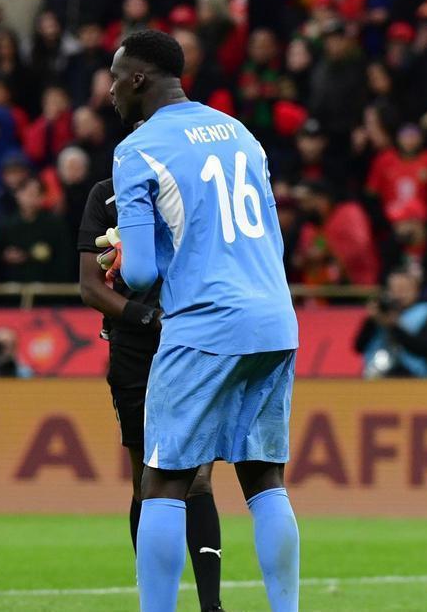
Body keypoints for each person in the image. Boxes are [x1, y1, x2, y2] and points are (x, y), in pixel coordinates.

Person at [105, 30, 299, 612]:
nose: (111, 90)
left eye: (116, 78)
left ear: (138, 78)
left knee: (163, 481)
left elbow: (139, 273)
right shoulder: (241, 133)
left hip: (205, 326)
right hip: (273, 318)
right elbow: (272, 236)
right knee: (265, 478)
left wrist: (132, 255)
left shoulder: (137, 149)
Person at [78, 175, 225, 612]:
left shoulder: (195, 188)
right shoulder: (105, 195)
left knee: (196, 478)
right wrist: (149, 319)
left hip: (193, 344)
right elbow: (90, 286)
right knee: (146, 481)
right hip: (135, 348)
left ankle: (210, 606)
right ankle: (155, 602)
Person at [354, 270, 427, 378]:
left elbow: (423, 348)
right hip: (376, 373)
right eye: (395, 289)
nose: (400, 295)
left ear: (417, 290)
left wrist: (394, 326)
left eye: (405, 289)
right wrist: (371, 320)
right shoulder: (380, 312)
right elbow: (358, 347)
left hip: (415, 375)